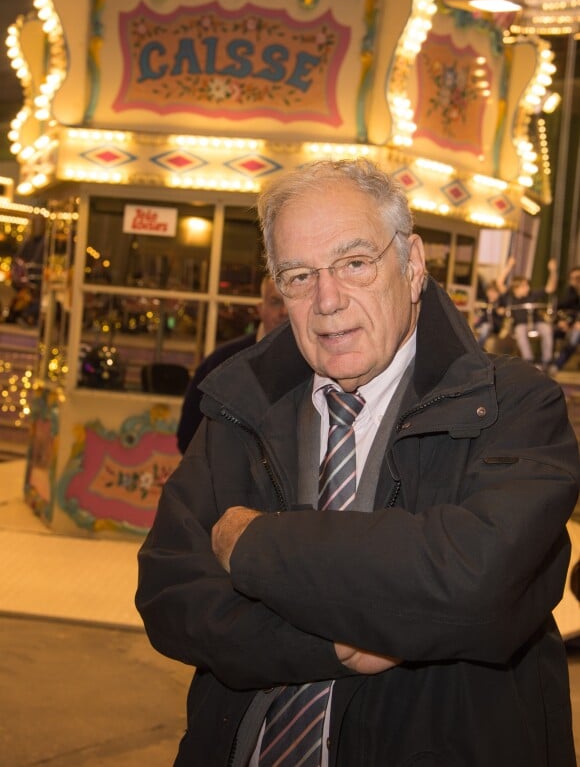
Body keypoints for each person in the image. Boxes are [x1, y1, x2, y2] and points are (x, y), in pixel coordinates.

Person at [136, 158, 580, 767]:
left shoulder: (515, 405)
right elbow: (170, 596)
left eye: (354, 263)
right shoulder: (240, 406)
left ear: (413, 263)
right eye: (298, 276)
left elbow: (477, 582)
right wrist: (337, 644)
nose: (327, 299)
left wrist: (253, 544)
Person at [176, 276, 287, 453]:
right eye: (275, 302)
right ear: (260, 309)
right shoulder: (221, 362)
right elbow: (188, 435)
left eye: (291, 301)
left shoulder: (317, 366)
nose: (284, 311)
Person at [498, 257, 558, 370]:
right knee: (519, 331)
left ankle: (546, 361)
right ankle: (529, 361)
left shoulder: (532, 294)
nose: (527, 288)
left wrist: (553, 271)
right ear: (516, 288)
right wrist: (509, 266)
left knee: (547, 329)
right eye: (524, 286)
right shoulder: (510, 297)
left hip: (536, 322)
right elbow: (499, 282)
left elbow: (550, 288)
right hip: (521, 324)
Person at [553, 265, 580, 372]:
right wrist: (561, 321)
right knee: (551, 332)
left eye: (578, 277)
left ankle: (557, 365)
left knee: (575, 336)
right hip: (569, 324)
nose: (576, 280)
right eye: (573, 278)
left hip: (576, 327)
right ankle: (549, 363)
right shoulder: (568, 292)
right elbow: (559, 308)